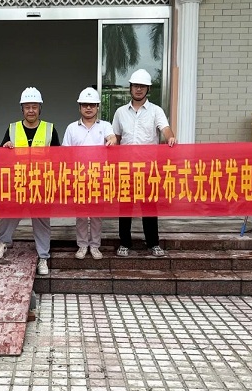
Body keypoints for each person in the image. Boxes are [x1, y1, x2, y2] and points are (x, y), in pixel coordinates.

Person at [0, 87, 60, 275]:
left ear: (40, 108)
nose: (31, 110)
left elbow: (58, 157)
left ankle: (43, 257)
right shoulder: (12, 128)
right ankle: (2, 243)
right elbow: (1, 154)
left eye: (34, 106)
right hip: (18, 182)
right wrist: (6, 147)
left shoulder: (50, 129)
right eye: (27, 107)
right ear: (22, 109)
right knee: (9, 215)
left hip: (41, 183)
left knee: (42, 222)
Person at [112, 69, 176, 257]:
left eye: (142, 86)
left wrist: (170, 138)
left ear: (148, 89)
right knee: (125, 207)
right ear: (130, 88)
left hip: (148, 168)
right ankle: (124, 243)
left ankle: (153, 243)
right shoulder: (120, 112)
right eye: (135, 86)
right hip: (126, 168)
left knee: (149, 206)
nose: (138, 89)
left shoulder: (156, 111)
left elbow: (165, 129)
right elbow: (116, 138)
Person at [62, 87, 116, 260]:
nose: (88, 108)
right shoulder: (71, 128)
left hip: (98, 177)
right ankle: (82, 245)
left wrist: (112, 139)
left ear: (97, 107)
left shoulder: (105, 126)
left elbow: (112, 138)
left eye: (92, 105)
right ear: (79, 107)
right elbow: (65, 153)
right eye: (85, 104)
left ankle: (95, 246)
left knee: (96, 214)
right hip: (79, 177)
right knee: (81, 214)